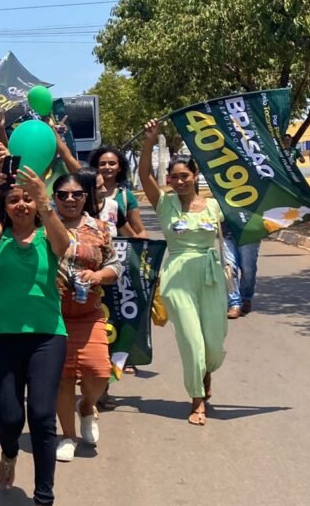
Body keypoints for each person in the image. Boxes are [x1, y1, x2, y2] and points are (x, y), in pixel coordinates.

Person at [0, 144, 71, 506]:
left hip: (48, 336)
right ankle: (10, 451)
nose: (22, 205)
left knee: (43, 417)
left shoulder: (50, 233)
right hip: (1, 338)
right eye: (15, 199)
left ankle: (43, 501)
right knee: (9, 416)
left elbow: (67, 249)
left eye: (27, 198)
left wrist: (47, 203)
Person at [139, 120, 227, 426]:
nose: (179, 182)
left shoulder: (215, 206)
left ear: (195, 175)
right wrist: (149, 141)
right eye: (174, 177)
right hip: (177, 276)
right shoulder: (164, 204)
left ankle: (205, 375)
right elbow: (143, 175)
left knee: (213, 344)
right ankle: (196, 400)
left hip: (210, 274)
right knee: (191, 340)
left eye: (184, 176)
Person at [49, 170, 122, 463]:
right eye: (63, 194)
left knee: (99, 371)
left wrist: (97, 275)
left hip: (89, 313)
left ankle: (88, 406)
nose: (70, 199)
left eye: (76, 194)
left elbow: (115, 267)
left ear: (85, 197)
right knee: (63, 379)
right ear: (53, 198)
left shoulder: (100, 229)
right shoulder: (44, 227)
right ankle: (67, 436)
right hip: (52, 315)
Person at [89, 146, 147, 238]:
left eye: (112, 163)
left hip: (119, 250)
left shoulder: (126, 195)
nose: (107, 167)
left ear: (119, 168)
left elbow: (139, 229)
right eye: (102, 164)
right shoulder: (86, 194)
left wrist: (144, 249)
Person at [222, 230, 260, 318]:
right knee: (229, 268)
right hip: (228, 233)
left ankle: (245, 298)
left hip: (249, 235)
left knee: (248, 270)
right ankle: (234, 304)